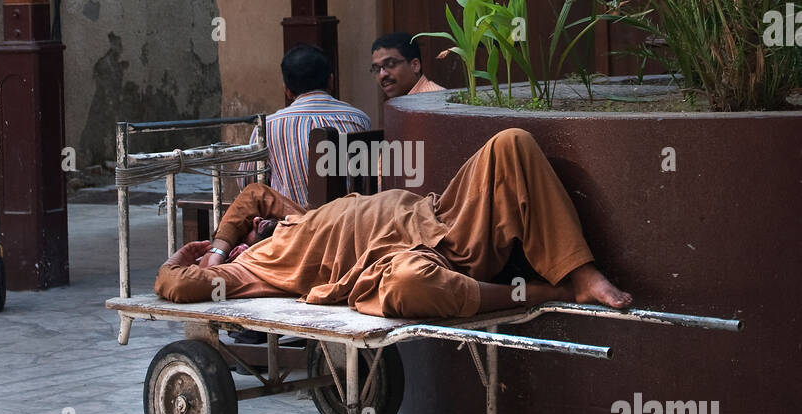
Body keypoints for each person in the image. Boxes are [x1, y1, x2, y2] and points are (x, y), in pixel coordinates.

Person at [156, 127, 632, 320]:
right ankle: (547, 292)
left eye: (256, 227)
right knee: (408, 285)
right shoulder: (254, 269)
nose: (258, 226)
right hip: (410, 262)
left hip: (442, 216)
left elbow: (252, 195)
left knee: (511, 143)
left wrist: (217, 242)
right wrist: (212, 257)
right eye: (252, 231)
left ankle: (582, 273)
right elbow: (174, 285)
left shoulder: (294, 219)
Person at [243, 44, 370, 210]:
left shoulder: (267, 126)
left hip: (294, 226)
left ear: (287, 90)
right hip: (351, 223)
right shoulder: (359, 119)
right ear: (331, 81)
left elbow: (248, 182)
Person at [370, 33, 444, 99]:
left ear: (415, 65)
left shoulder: (436, 101)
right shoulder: (401, 102)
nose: (382, 75)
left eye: (390, 64)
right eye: (376, 69)